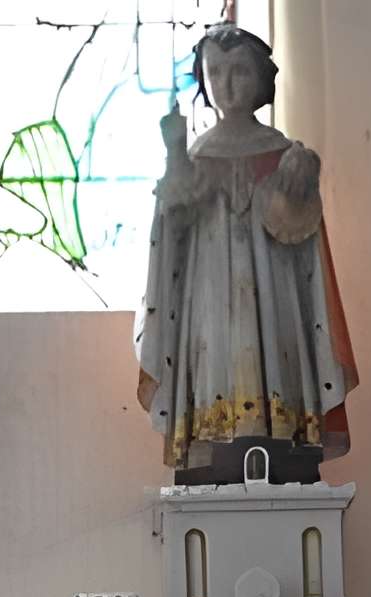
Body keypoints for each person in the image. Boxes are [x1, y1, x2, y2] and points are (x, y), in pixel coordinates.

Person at [135, 23, 358, 484]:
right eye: (215, 72)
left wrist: (298, 182)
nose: (226, 84)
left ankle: (283, 433)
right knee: (212, 358)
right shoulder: (196, 156)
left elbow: (299, 237)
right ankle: (211, 436)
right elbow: (170, 241)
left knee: (277, 355)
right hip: (208, 299)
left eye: (239, 71)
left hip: (273, 294)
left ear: (262, 80)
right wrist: (176, 158)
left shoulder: (283, 153)